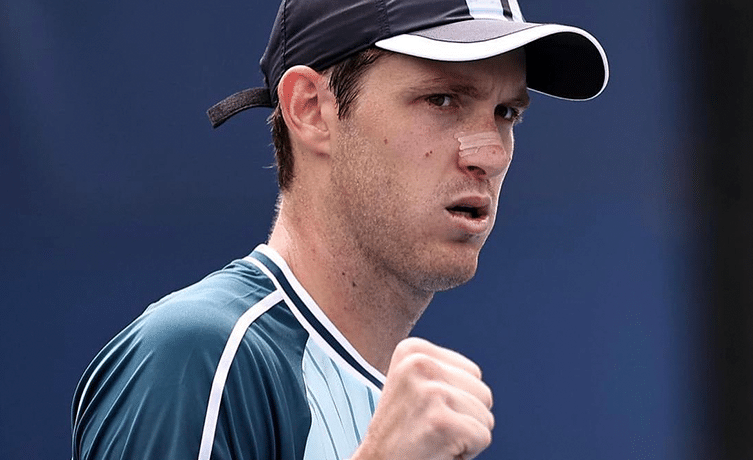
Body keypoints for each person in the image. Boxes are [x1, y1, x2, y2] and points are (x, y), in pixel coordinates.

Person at [70, 0, 608, 459]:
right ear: (310, 110)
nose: (489, 154)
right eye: (441, 99)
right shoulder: (199, 356)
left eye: (506, 112)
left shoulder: (408, 419)